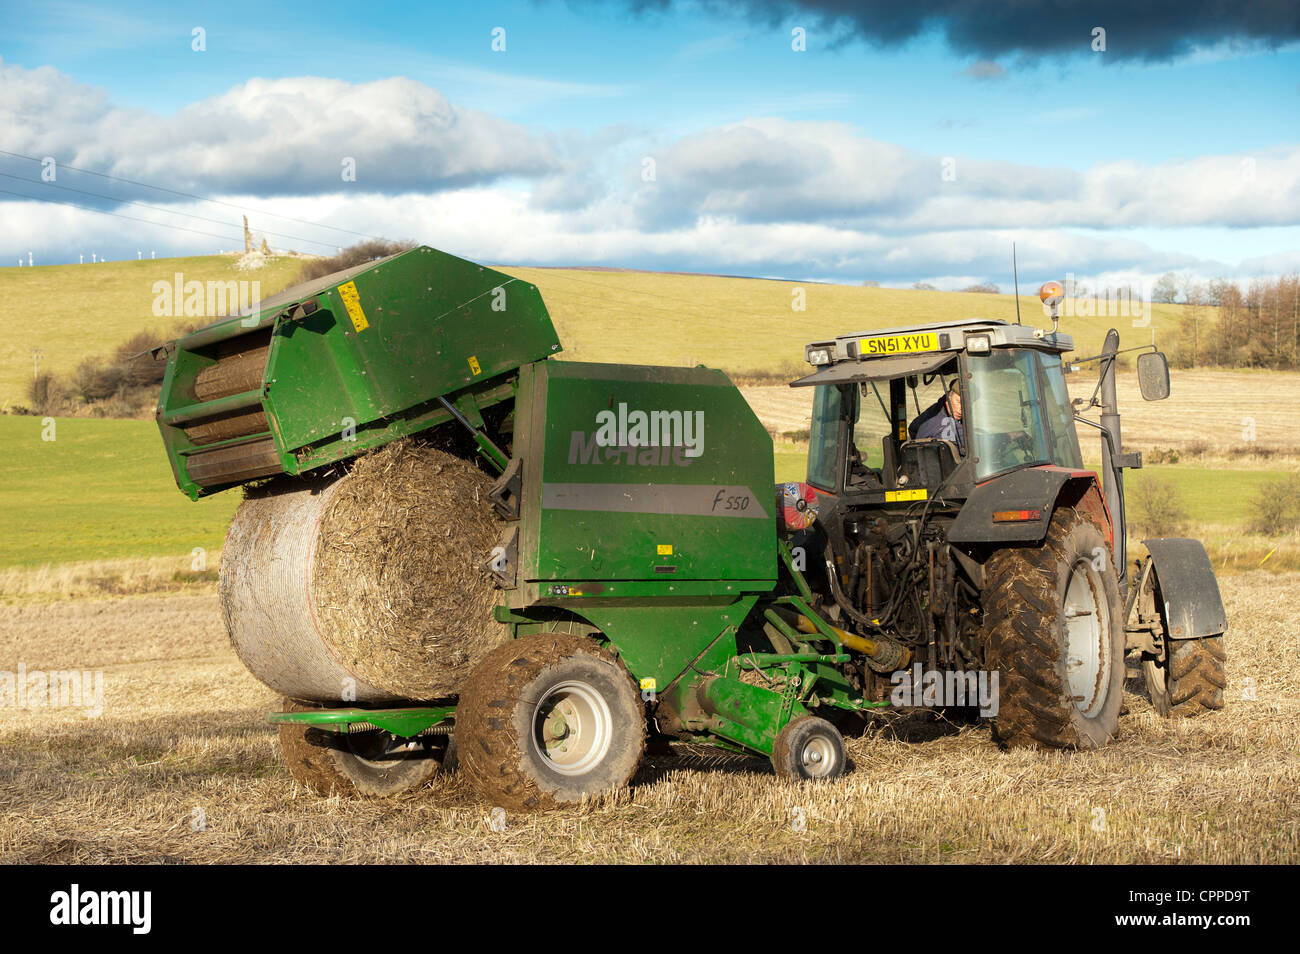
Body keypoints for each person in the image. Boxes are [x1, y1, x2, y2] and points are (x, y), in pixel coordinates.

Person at [910, 379, 965, 455]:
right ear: (948, 398)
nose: (961, 408)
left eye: (966, 404)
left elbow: (913, 428)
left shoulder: (936, 411)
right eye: (958, 402)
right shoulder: (944, 423)